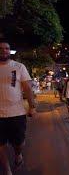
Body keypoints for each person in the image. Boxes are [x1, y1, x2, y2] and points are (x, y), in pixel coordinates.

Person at [0, 40, 37, 175]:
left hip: (17, 112)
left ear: (9, 51)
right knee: (1, 145)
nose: (4, 50)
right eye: (1, 48)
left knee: (19, 142)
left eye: (6, 48)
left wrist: (32, 106)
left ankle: (18, 154)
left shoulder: (18, 66)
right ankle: (7, 170)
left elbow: (27, 88)